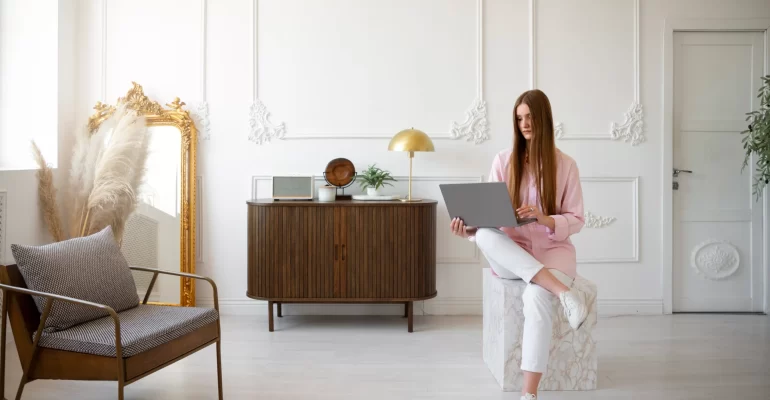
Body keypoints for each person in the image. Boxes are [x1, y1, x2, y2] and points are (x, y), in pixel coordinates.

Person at [449, 89, 588, 400]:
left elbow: (576, 219)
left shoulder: (566, 165)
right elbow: (487, 217)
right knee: (485, 235)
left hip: (554, 255)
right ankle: (565, 293)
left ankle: (529, 394)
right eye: (519, 118)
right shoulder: (504, 160)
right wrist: (468, 229)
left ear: (544, 119)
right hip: (512, 257)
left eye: (530, 117)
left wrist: (544, 218)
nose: (524, 124)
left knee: (538, 297)